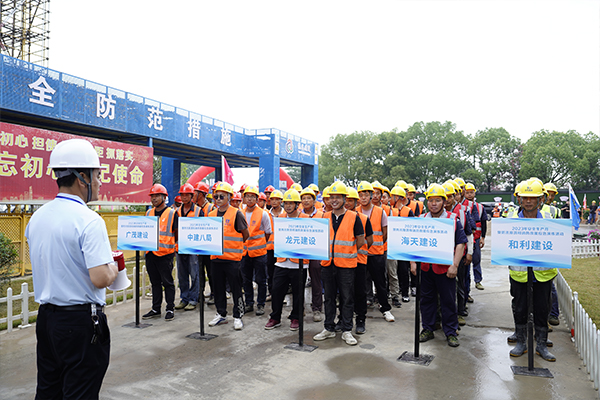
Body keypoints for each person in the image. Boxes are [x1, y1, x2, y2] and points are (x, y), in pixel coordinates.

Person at [26, 138, 118, 399]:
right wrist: (113, 268)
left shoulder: (38, 217)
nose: (100, 182)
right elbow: (100, 278)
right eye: (97, 175)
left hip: (47, 319)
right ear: (82, 177)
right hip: (80, 323)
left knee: (49, 390)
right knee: (80, 392)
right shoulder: (89, 220)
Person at [508, 179, 557, 361]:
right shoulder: (511, 220)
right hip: (519, 273)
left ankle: (541, 345)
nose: (528, 201)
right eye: (525, 198)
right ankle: (521, 342)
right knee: (520, 308)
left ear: (541, 199)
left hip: (543, 274)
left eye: (533, 198)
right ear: (519, 199)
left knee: (542, 309)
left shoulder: (549, 220)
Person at [414, 183, 467, 348]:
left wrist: (455, 265)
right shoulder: (422, 219)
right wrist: (413, 263)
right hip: (426, 268)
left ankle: (450, 331)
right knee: (426, 300)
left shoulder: (452, 219)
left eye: (437, 200)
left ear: (444, 202)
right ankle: (428, 328)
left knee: (448, 300)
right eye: (431, 200)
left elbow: (460, 243)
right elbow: (413, 244)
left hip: (445, 269)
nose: (434, 204)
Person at [313, 181, 365, 345]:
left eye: (337, 197)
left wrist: (347, 252)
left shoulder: (354, 217)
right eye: (332, 197)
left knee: (347, 298)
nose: (334, 200)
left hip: (346, 265)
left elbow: (361, 240)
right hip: (328, 264)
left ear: (344, 199)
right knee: (328, 297)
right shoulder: (324, 217)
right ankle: (328, 328)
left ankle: (346, 330)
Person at [265, 189, 309, 331]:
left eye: (291, 203)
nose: (288, 206)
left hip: (299, 263)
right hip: (282, 261)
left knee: (298, 293)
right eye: (286, 203)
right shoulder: (280, 218)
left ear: (297, 204)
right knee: (277, 290)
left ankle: (296, 317)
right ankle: (275, 317)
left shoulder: (305, 219)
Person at [208, 182, 249, 330]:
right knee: (218, 288)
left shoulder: (236, 213)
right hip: (216, 259)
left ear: (229, 197)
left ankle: (238, 316)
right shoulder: (211, 215)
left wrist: (234, 246)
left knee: (236, 289)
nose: (218, 199)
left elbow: (245, 234)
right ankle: (221, 313)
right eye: (216, 196)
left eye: (222, 196)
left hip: (232, 260)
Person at [356, 181, 396, 326]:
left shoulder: (380, 212)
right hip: (361, 254)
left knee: (380, 283)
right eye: (361, 195)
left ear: (371, 196)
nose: (363, 198)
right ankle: (360, 310)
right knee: (360, 284)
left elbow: (385, 233)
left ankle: (385, 308)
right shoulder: (355, 211)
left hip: (377, 253)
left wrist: (376, 244)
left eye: (366, 194)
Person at [143, 183, 178, 321]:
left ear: (164, 197)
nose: (154, 198)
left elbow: (177, 233)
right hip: (150, 253)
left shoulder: (172, 213)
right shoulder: (148, 213)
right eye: (152, 196)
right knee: (155, 283)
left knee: (167, 282)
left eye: (157, 196)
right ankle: (156, 308)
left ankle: (170, 308)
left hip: (165, 254)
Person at [344, 187, 373, 335]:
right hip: (342, 262)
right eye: (346, 200)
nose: (347, 203)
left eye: (351, 200)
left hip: (359, 261)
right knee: (345, 293)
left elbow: (370, 240)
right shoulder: (338, 218)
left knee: (360, 292)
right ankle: (343, 319)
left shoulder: (363, 218)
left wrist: (356, 250)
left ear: (356, 202)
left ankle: (360, 320)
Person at [240, 185, 271, 316]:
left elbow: (268, 232)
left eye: (253, 196)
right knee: (246, 279)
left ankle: (261, 304)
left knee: (261, 280)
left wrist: (259, 243)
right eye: (248, 196)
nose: (250, 199)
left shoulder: (263, 214)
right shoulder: (240, 213)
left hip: (259, 253)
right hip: (244, 253)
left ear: (257, 199)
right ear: (244, 198)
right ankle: (249, 303)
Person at [174, 183, 202, 312]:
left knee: (194, 274)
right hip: (180, 247)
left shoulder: (198, 211)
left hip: (194, 247)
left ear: (192, 196)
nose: (184, 197)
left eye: (187, 195)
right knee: (182, 274)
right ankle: (184, 298)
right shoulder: (177, 211)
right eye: (182, 195)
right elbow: (175, 229)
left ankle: (193, 299)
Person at [299, 187, 325, 322]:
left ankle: (317, 309)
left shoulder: (321, 215)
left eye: (309, 198)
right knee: (299, 282)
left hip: (316, 252)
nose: (306, 201)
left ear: (314, 200)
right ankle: (300, 308)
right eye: (303, 198)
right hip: (301, 252)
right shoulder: (297, 215)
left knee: (316, 282)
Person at [266, 190, 284, 298]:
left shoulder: (285, 214)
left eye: (277, 199)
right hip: (269, 248)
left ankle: (281, 295)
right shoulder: (266, 214)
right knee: (270, 272)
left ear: (281, 201)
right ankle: (271, 293)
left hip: (282, 248)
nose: (274, 201)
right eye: (272, 199)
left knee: (281, 273)